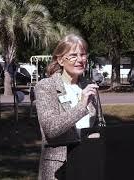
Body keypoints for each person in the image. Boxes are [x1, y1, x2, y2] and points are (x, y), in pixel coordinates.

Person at [35, 34, 99, 180]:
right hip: (58, 169)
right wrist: (82, 105)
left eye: (83, 55)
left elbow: (96, 125)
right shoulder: (46, 87)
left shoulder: (88, 86)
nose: (80, 60)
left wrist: (97, 134)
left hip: (87, 162)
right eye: (73, 55)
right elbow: (51, 129)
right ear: (60, 60)